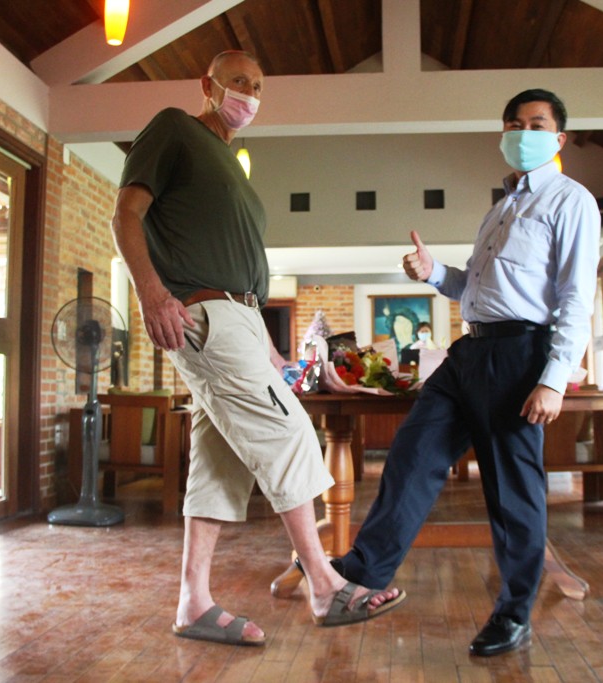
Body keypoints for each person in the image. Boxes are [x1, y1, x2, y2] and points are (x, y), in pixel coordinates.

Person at [110, 50, 404, 647]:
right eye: (239, 81)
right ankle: (324, 583)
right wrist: (151, 293)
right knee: (288, 431)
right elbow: (126, 213)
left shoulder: (231, 165)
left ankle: (193, 601)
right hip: (203, 313)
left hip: (241, 318)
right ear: (209, 84)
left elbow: (240, 271)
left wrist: (268, 345)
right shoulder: (175, 129)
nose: (250, 93)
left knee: (219, 460)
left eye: (259, 86)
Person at [335, 88, 600, 657]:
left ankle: (514, 613)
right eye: (513, 123)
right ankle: (365, 570)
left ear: (558, 138)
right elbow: (474, 290)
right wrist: (434, 271)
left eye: (536, 124)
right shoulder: (500, 209)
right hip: (469, 352)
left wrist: (553, 378)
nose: (522, 133)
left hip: (520, 356)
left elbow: (577, 296)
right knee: (411, 455)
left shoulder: (570, 200)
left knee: (511, 494)